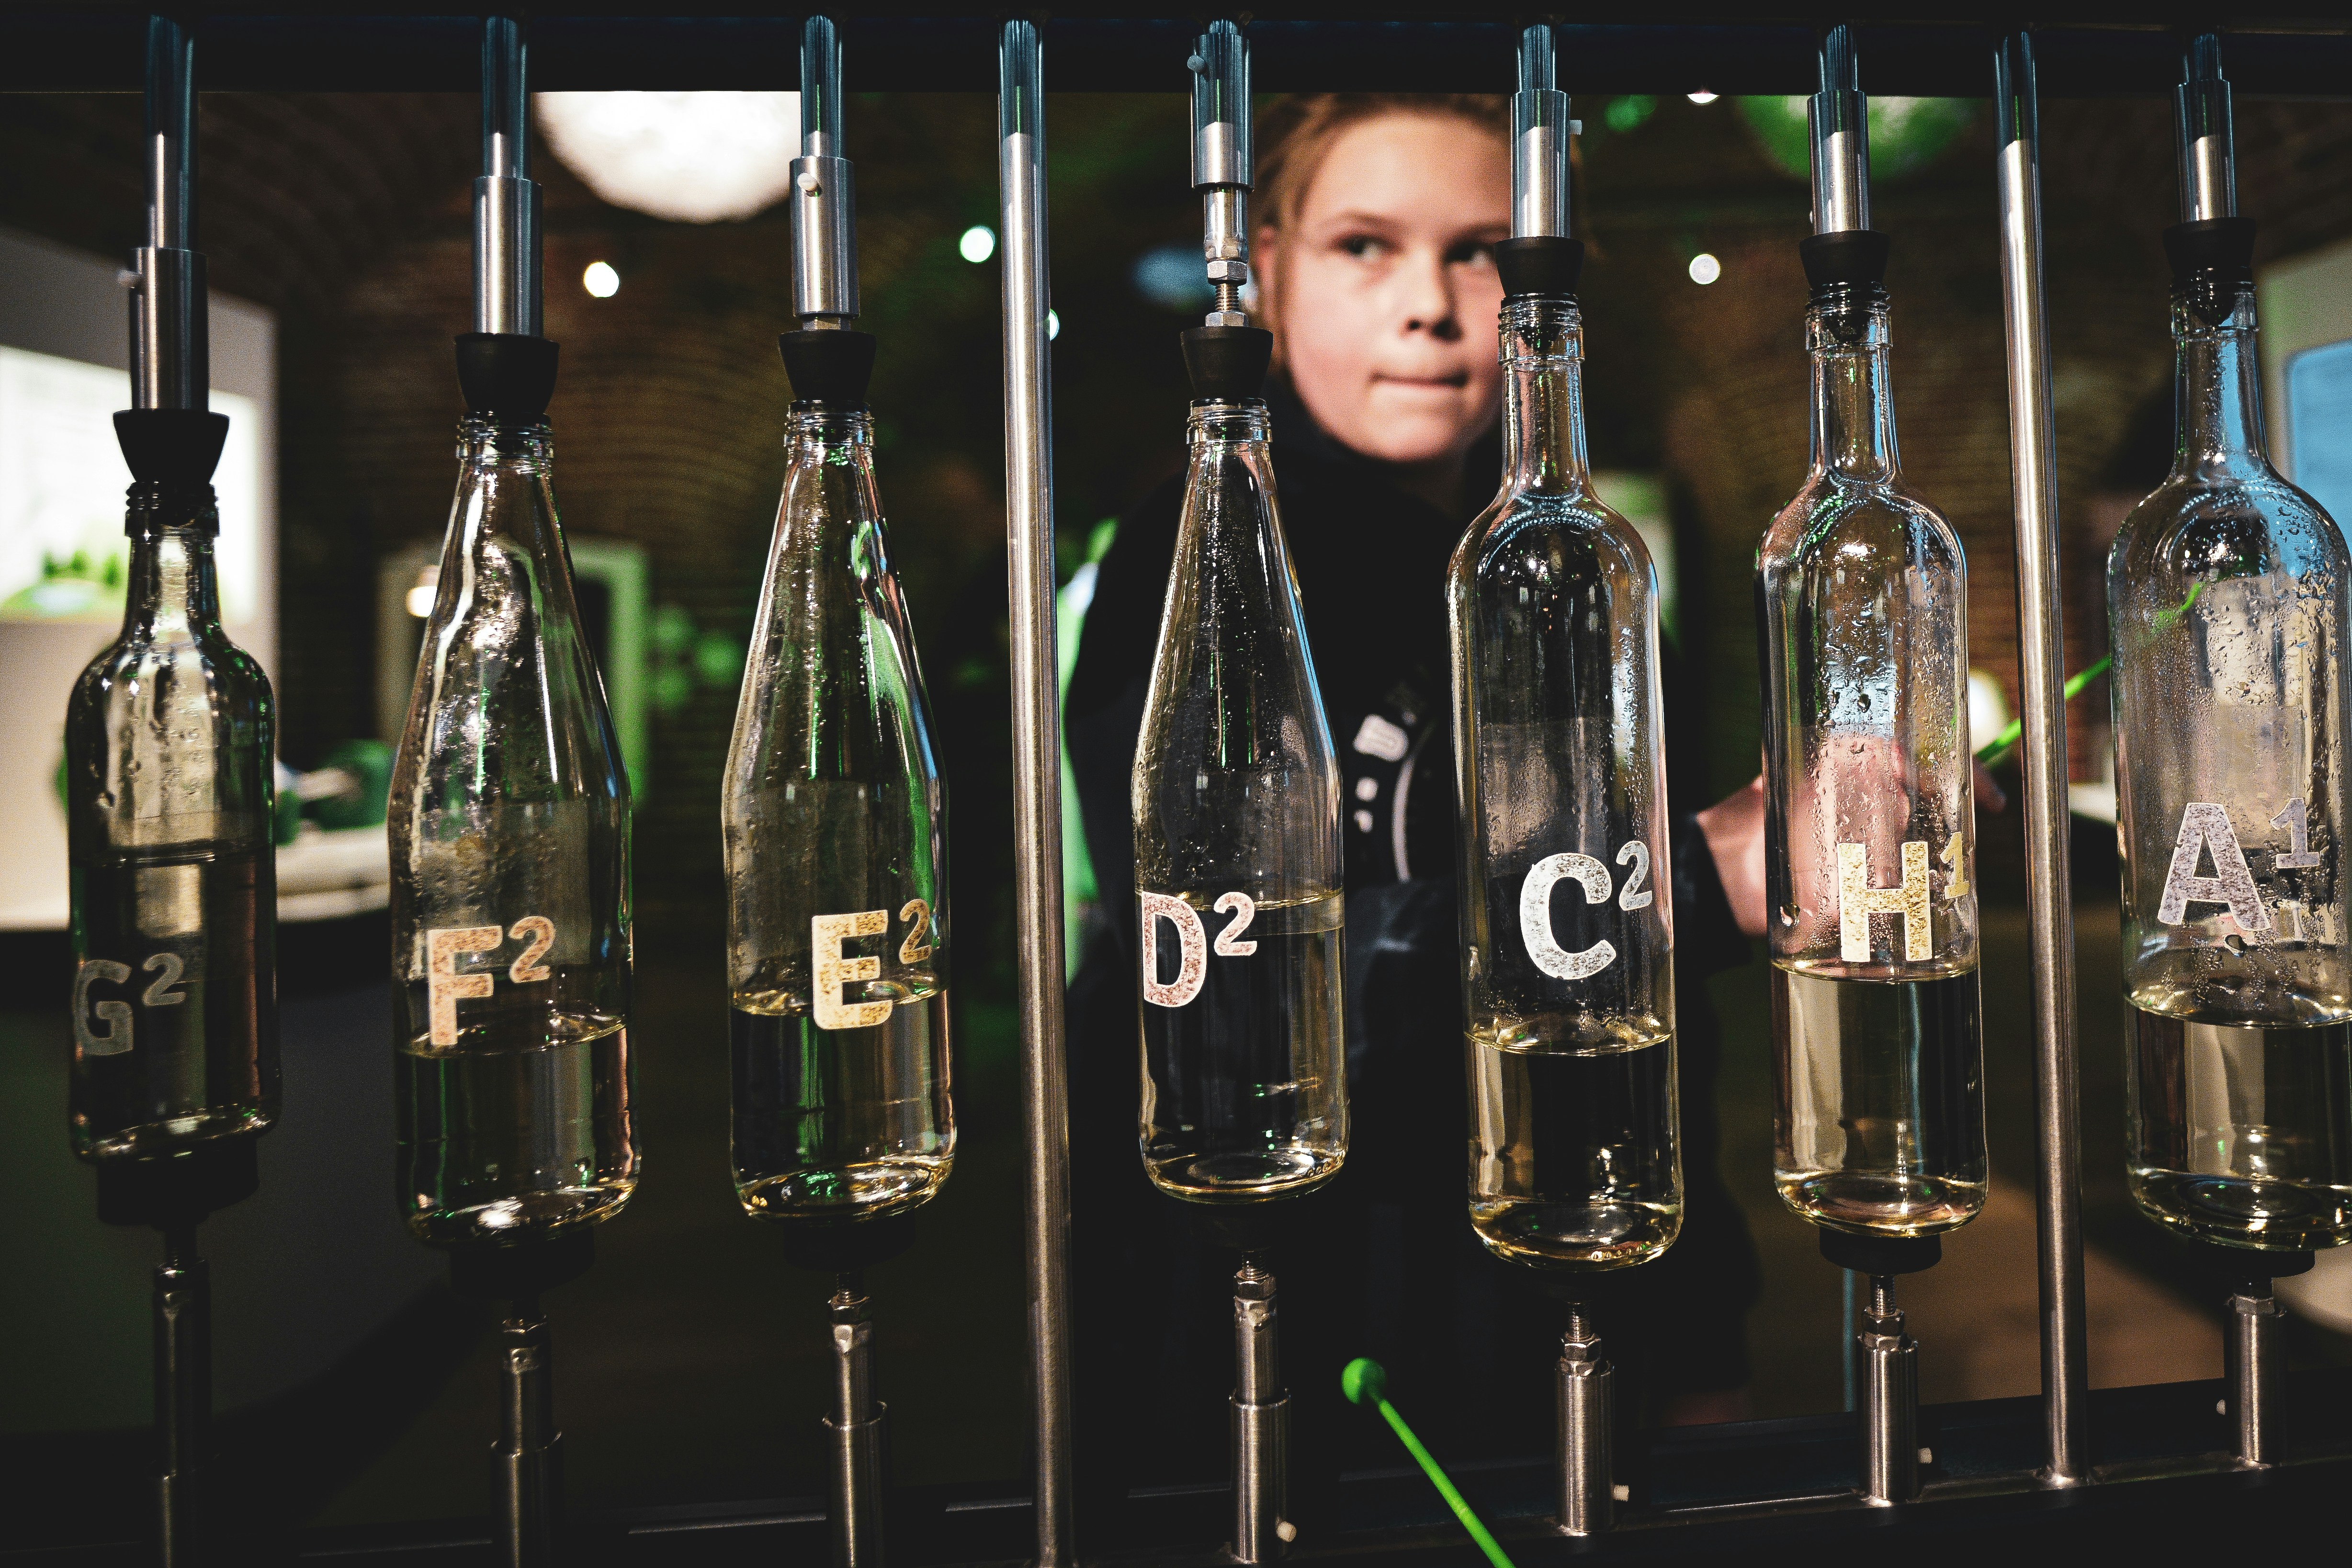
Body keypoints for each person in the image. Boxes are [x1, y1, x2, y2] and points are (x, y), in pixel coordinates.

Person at [1060, 92, 1766, 1534]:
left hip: (1574, 1311)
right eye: (1366, 247)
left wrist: (1702, 1332)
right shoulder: (1199, 563)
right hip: (1284, 1343)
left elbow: (1666, 1048)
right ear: (1262, 266)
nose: (1433, 310)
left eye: (1483, 252)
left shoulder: (1584, 575)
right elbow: (1237, 982)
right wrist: (1702, 875)